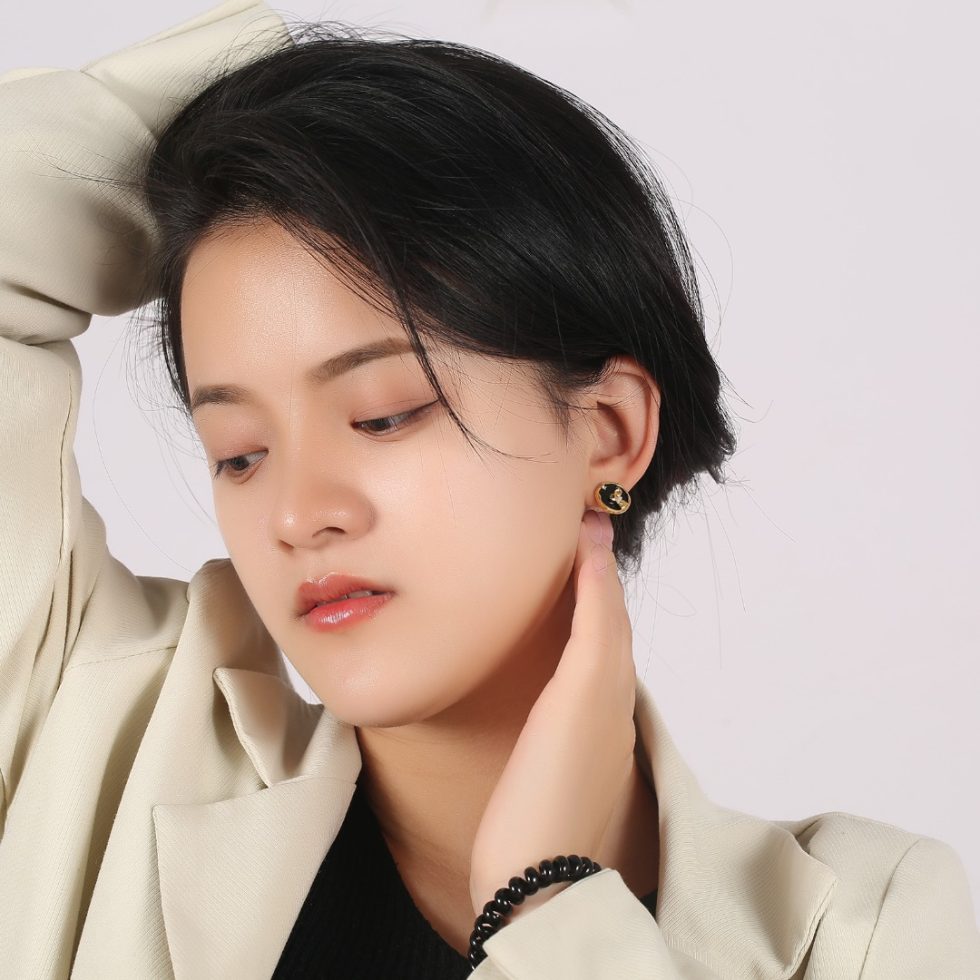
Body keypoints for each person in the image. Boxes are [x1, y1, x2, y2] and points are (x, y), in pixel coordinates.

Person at [0, 0, 977, 977]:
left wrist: (546, 904)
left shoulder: (867, 935)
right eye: (240, 453)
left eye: (384, 415)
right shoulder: (97, 750)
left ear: (610, 431)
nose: (297, 515)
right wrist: (263, 90)